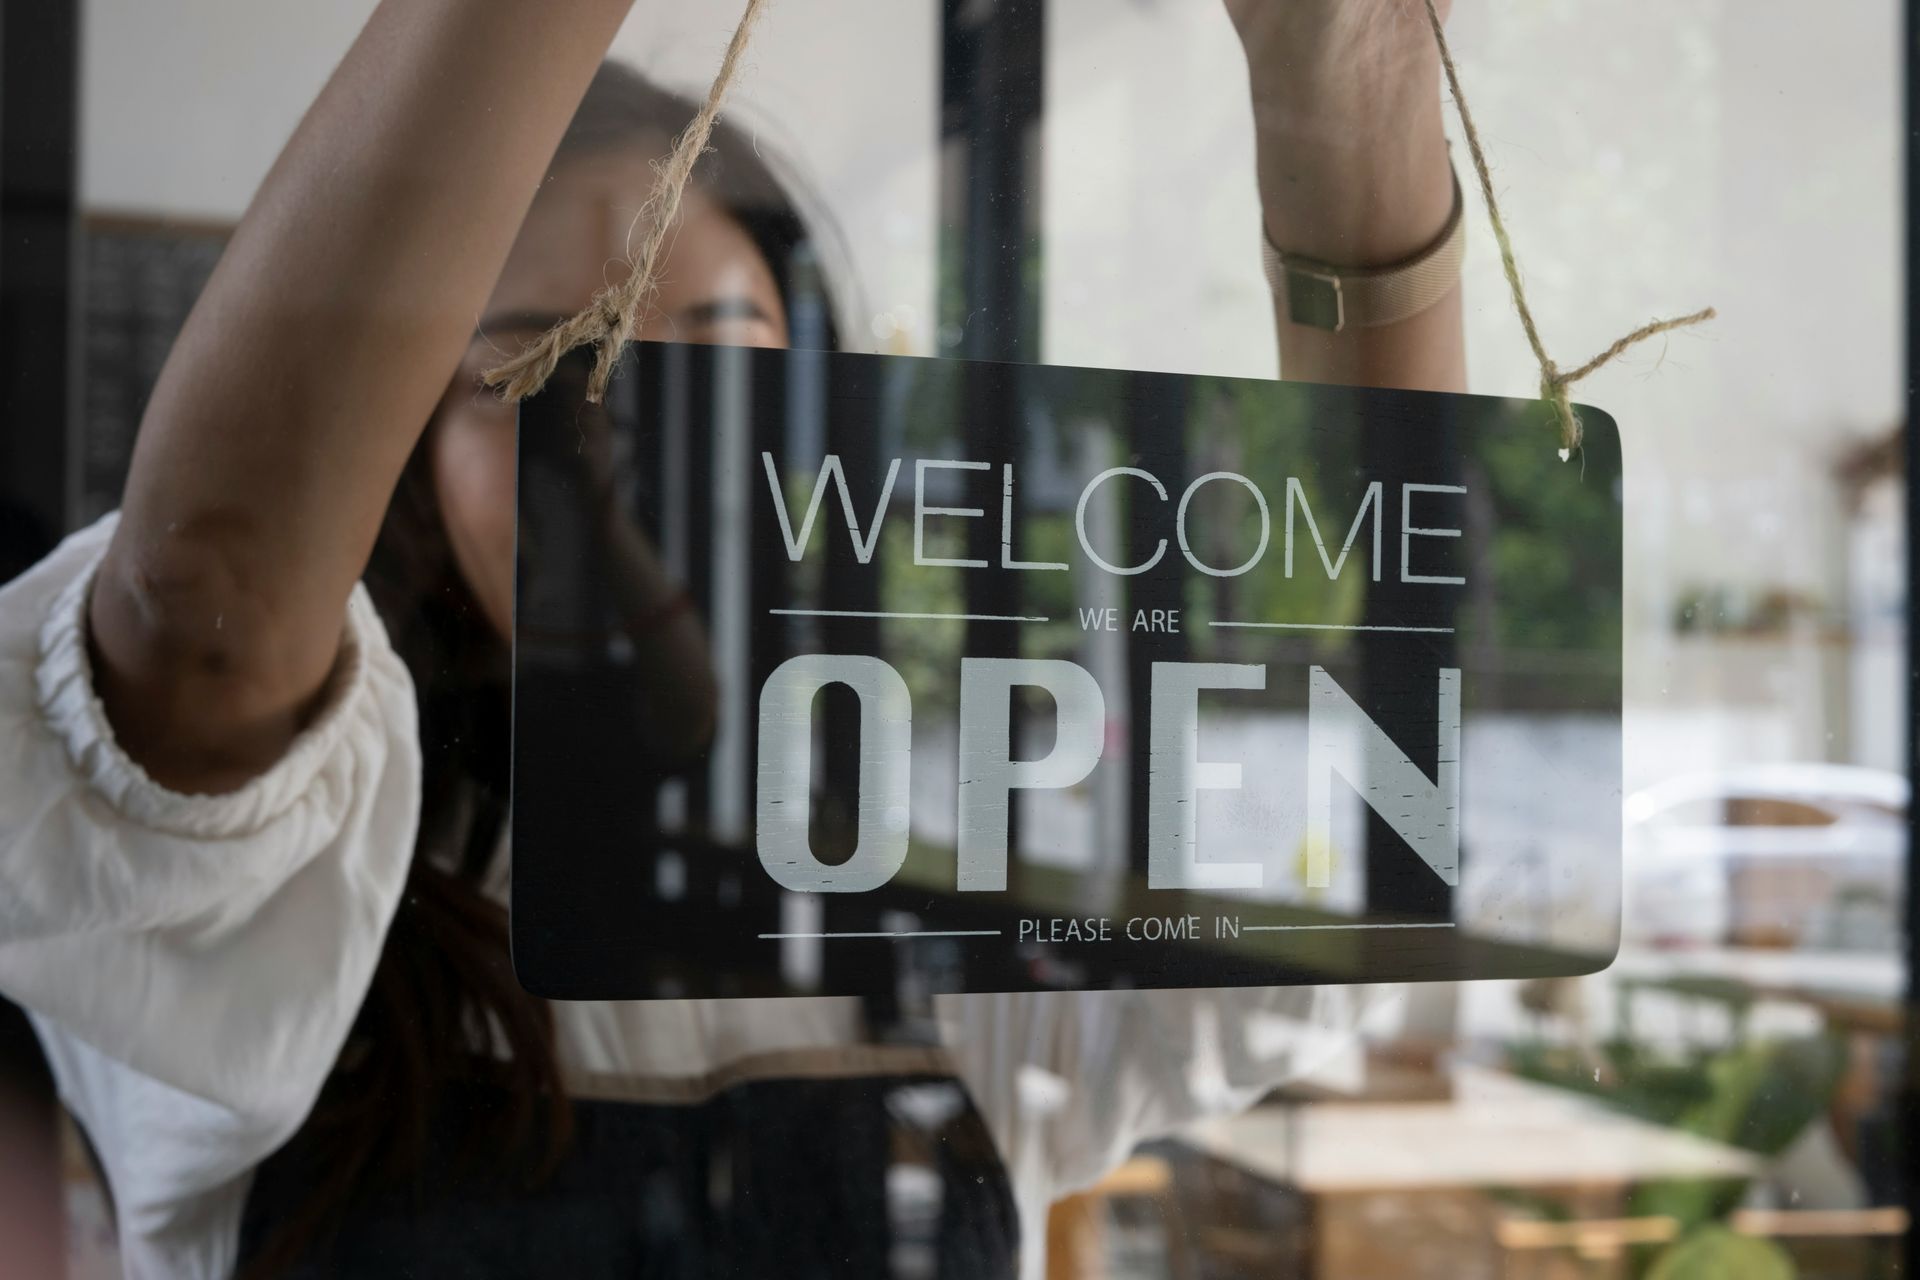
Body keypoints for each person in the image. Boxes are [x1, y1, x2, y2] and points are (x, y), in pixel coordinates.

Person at [0, 1, 1464, 1276]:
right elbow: (210, 627)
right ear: (407, 472)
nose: (630, 432)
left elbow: (1373, 844)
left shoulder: (932, 870)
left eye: (708, 356)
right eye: (531, 379)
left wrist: (1353, 66)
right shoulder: (290, 872)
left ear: (823, 405)